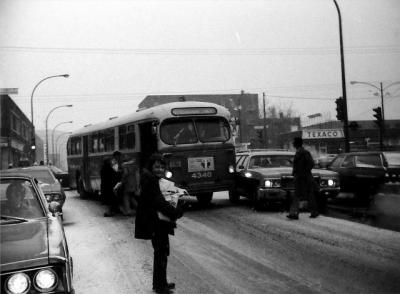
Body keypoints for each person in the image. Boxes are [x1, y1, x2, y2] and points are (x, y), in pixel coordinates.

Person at [135, 153, 184, 294]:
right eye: (157, 166)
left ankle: (160, 283)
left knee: (161, 252)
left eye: (162, 167)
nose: (160, 169)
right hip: (155, 222)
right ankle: (160, 286)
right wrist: (175, 212)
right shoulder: (151, 181)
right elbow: (159, 202)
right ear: (151, 167)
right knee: (161, 252)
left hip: (156, 221)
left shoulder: (154, 179)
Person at [287, 137, 319, 220]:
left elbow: (311, 164)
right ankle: (312, 212)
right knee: (305, 195)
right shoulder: (300, 152)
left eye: (294, 142)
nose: (293, 144)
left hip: (303, 178)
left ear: (297, 143)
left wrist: (303, 172)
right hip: (302, 177)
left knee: (304, 195)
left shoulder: (303, 153)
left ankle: (295, 213)